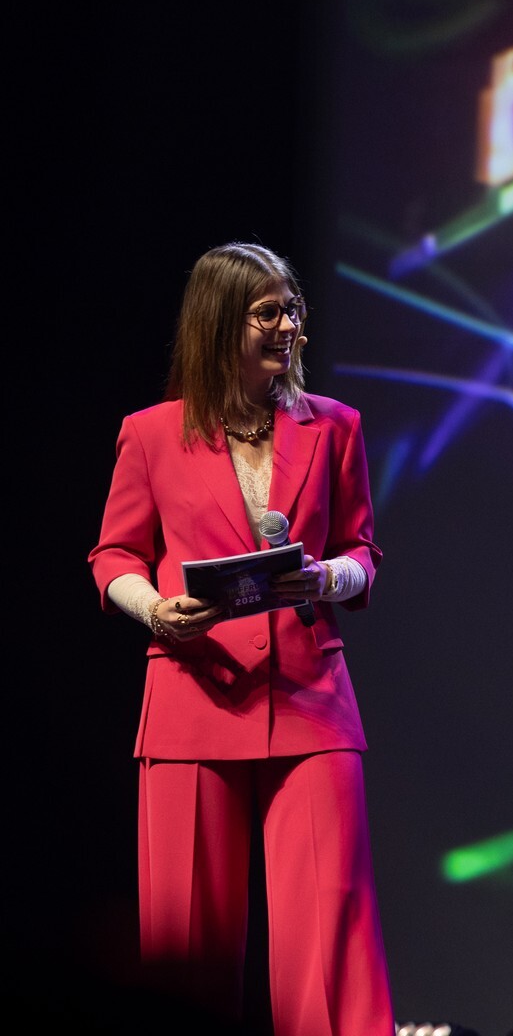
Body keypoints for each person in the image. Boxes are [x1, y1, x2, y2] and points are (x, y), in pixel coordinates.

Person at [90, 242, 394, 1035]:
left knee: (329, 930)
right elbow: (114, 555)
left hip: (311, 700)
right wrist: (155, 609)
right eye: (268, 312)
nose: (288, 326)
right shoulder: (151, 435)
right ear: (221, 322)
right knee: (188, 940)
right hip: (193, 698)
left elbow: (362, 552)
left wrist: (325, 578)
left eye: (294, 310)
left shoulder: (335, 427)